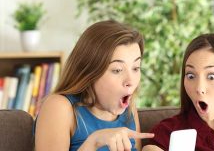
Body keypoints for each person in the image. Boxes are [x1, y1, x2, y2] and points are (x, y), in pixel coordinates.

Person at [35, 20, 154, 151]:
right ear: (90, 72)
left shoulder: (129, 109)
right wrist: (93, 143)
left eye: (136, 68)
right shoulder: (59, 107)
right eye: (117, 70)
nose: (130, 81)